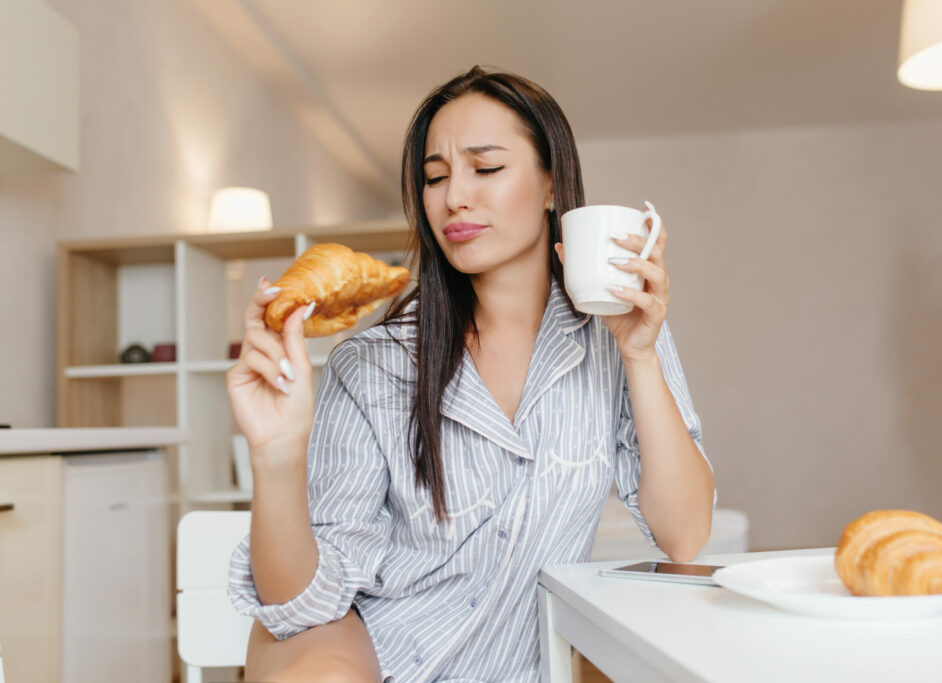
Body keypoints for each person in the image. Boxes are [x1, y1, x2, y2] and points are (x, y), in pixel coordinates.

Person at [225, 65, 716, 682]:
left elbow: (684, 537)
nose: (454, 196)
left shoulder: (622, 332)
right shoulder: (372, 364)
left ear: (551, 184)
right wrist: (275, 456)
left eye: (486, 168)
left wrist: (640, 356)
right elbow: (306, 606)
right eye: (435, 177)